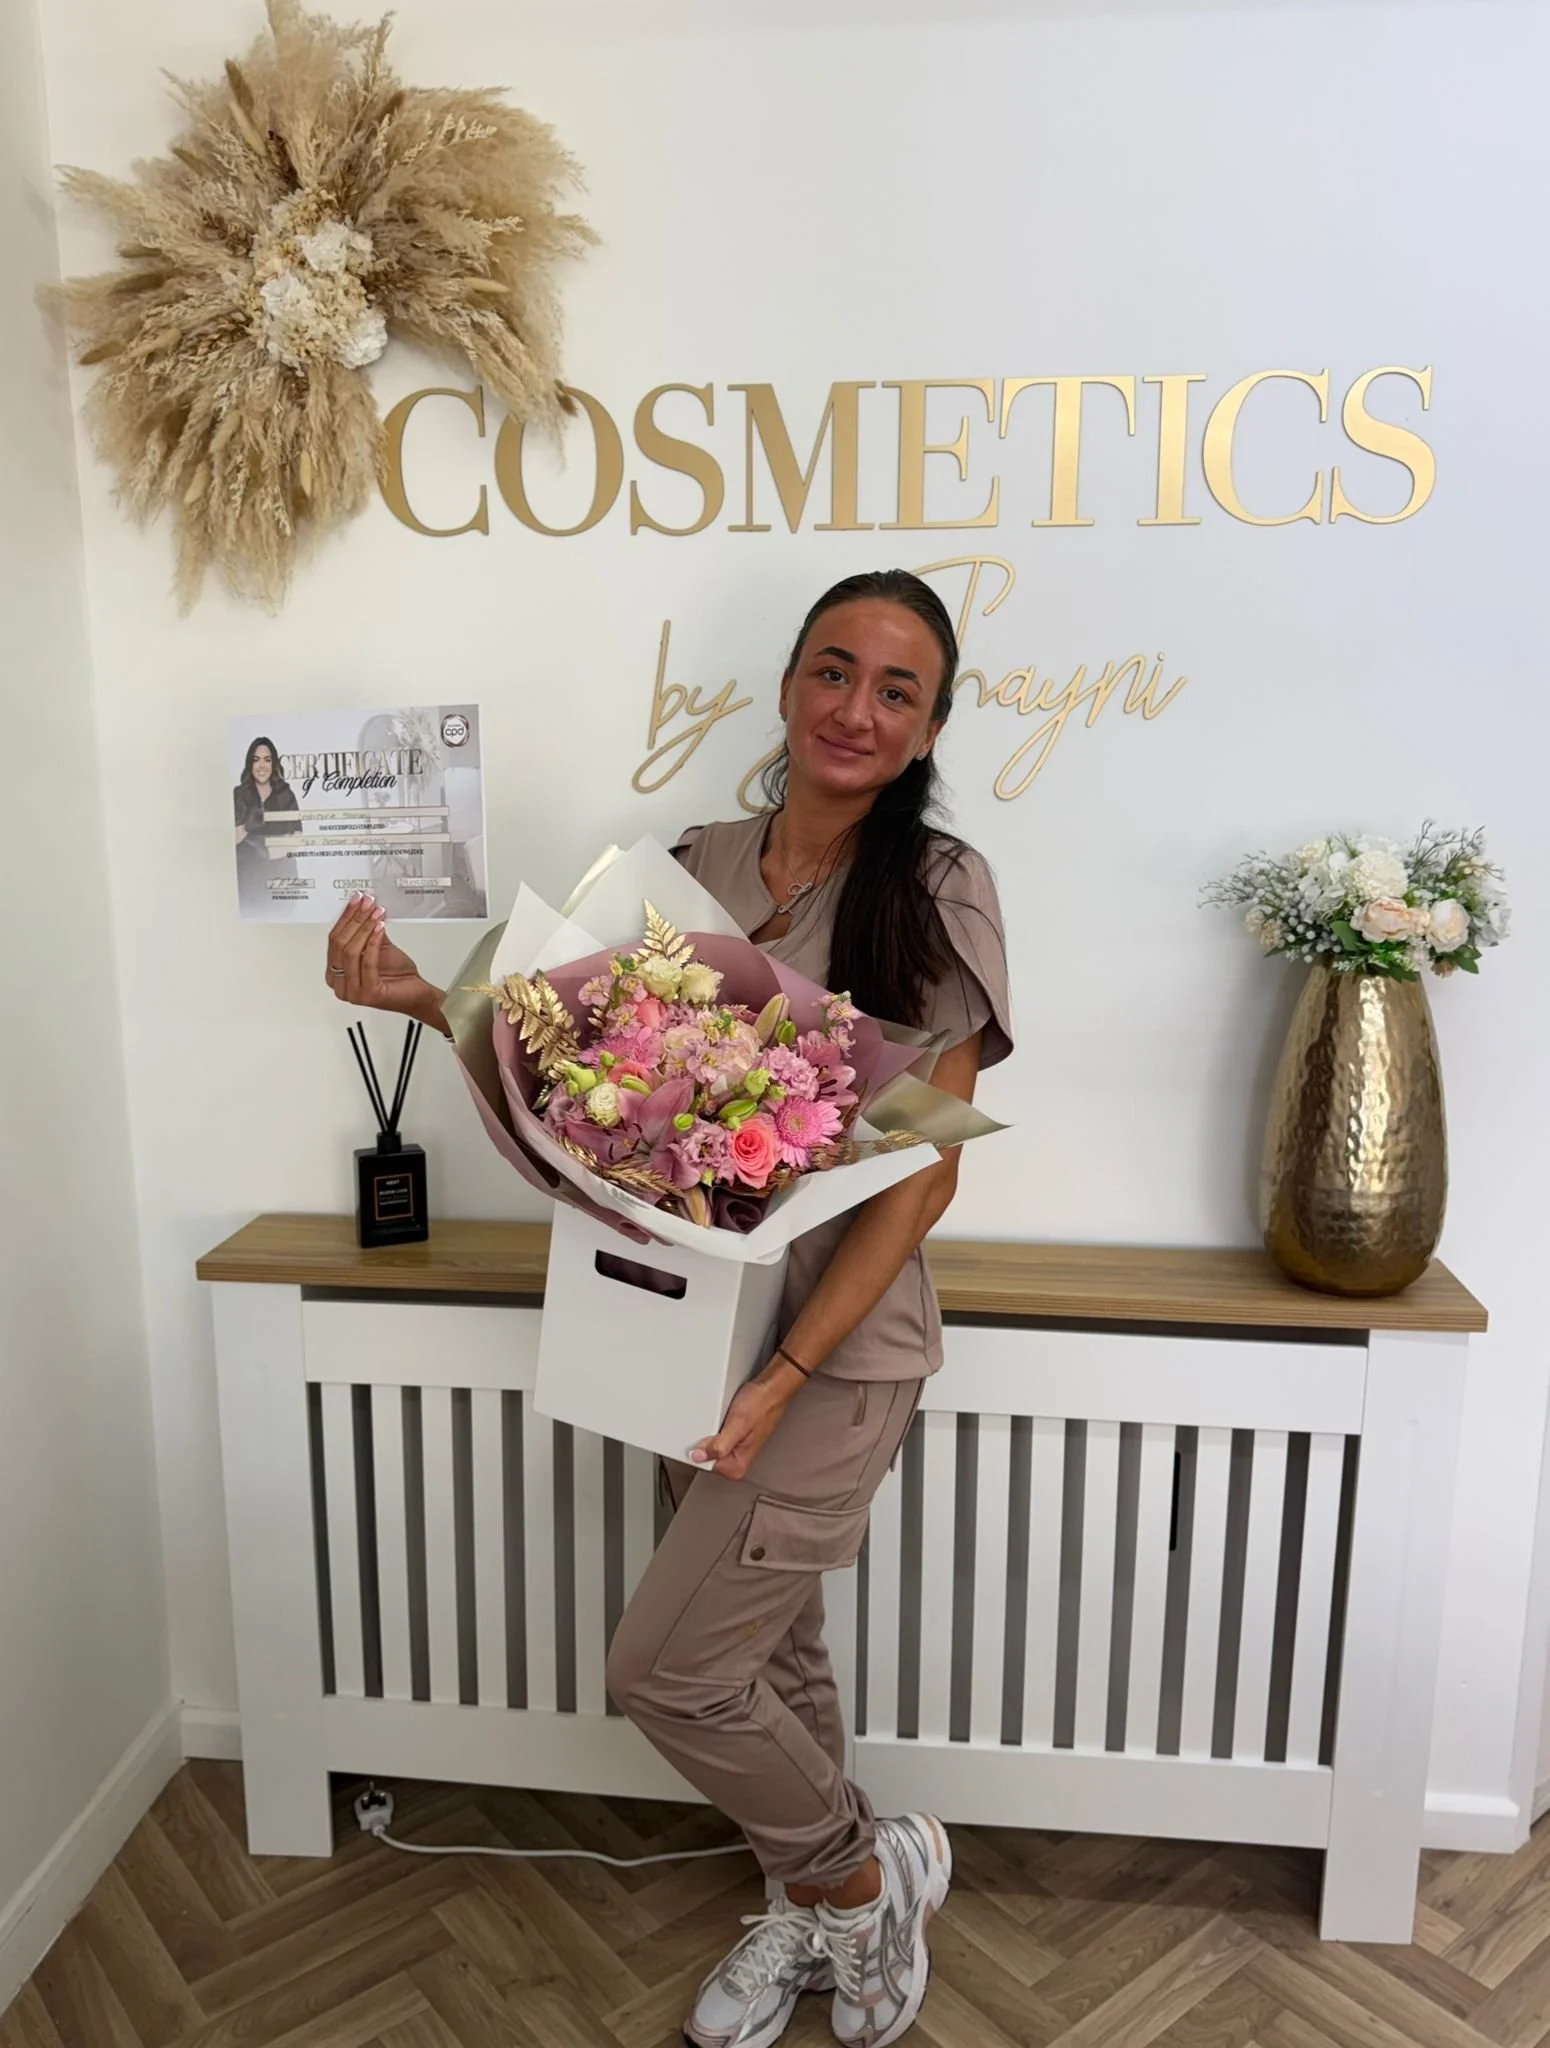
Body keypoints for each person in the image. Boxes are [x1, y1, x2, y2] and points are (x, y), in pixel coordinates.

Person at [322, 569, 1013, 2048]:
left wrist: (786, 1375)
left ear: (930, 725)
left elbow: (921, 1176)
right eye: (833, 669)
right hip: (679, 1324)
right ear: (788, 682)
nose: (855, 707)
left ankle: (857, 1878)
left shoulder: (936, 890)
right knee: (770, 1651)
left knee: (668, 1673)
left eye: (896, 689)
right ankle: (819, 1912)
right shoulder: (691, 864)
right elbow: (583, 1078)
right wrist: (423, 997)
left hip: (834, 1352)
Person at [233, 736, 300, 912]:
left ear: (274, 763)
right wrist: (247, 826)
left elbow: (297, 837)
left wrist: (264, 849)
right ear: (250, 764)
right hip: (247, 880)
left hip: (282, 879)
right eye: (256, 760)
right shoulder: (238, 795)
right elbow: (231, 838)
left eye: (267, 760)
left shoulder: (286, 794)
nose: (262, 765)